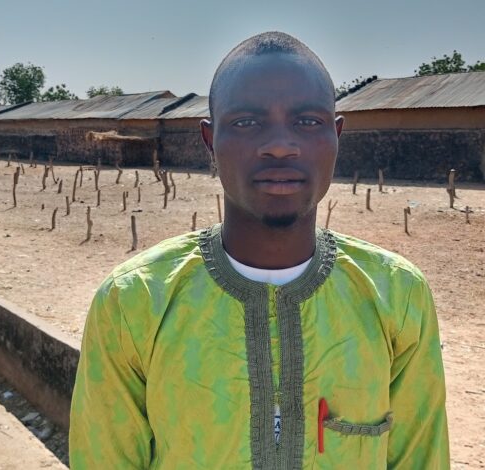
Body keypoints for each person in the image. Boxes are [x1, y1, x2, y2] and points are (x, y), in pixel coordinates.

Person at [69, 31, 449, 469]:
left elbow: (422, 456)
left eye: (307, 121)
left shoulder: (397, 296)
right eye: (247, 122)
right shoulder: (134, 301)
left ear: (336, 135)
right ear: (211, 141)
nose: (281, 144)